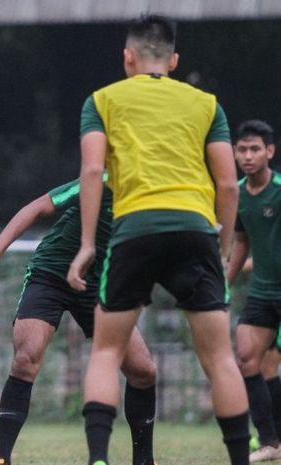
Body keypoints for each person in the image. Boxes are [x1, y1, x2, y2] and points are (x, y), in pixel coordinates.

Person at [66, 14, 250, 465]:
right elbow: (228, 185)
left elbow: (92, 171)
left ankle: (97, 460)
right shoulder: (206, 104)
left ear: (127, 57)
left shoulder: (102, 100)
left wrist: (88, 244)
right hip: (195, 230)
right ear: (174, 60)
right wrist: (222, 246)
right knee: (220, 359)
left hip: (135, 229)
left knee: (107, 352)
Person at [0, 177, 157, 465]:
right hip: (51, 274)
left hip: (98, 285)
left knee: (143, 371)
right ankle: (2, 459)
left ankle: (144, 460)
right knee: (27, 358)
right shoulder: (103, 179)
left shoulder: (160, 196)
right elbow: (38, 207)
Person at [226, 120, 281, 461]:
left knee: (269, 366)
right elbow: (242, 241)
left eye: (255, 149)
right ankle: (271, 442)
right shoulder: (237, 194)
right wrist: (223, 284)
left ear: (270, 152)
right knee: (248, 360)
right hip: (262, 292)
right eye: (242, 150)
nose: (248, 156)